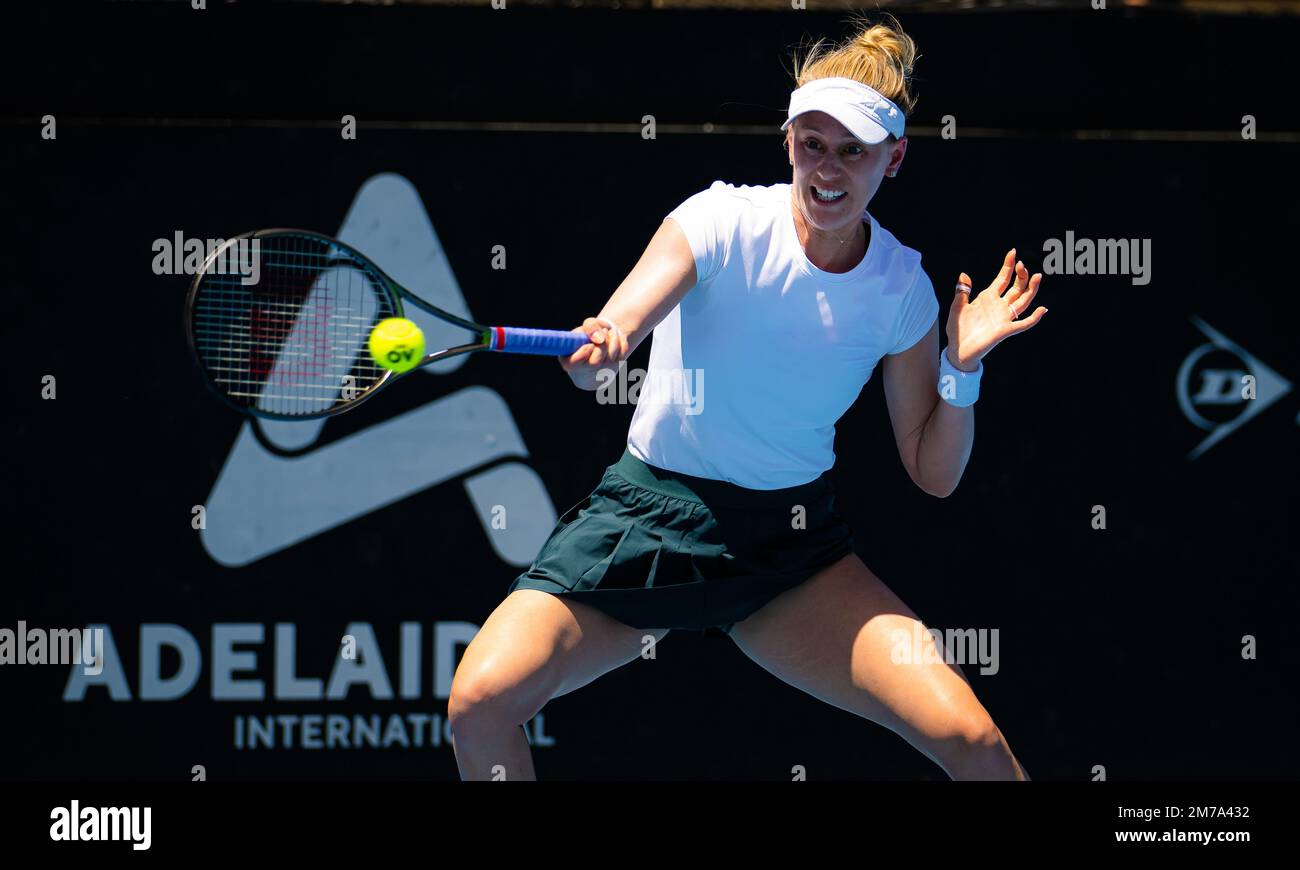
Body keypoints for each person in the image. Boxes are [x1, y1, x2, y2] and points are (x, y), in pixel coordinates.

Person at [449, 14, 1044, 781]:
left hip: (789, 551)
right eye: (812, 144)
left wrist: (961, 368)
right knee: (479, 702)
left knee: (972, 740)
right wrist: (600, 352)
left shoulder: (901, 290)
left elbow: (933, 471)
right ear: (788, 140)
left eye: (853, 151)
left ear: (893, 159)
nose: (827, 170)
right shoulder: (720, 222)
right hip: (646, 520)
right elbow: (610, 342)